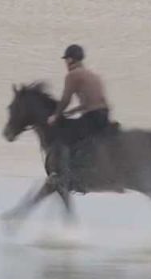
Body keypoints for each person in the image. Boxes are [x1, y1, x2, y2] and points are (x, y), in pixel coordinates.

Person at [46, 44, 112, 188]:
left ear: (70, 60)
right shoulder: (93, 75)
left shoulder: (72, 75)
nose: (65, 64)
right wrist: (74, 111)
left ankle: (63, 176)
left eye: (66, 61)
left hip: (93, 116)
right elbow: (93, 100)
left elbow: (65, 99)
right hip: (104, 114)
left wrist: (56, 116)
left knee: (64, 135)